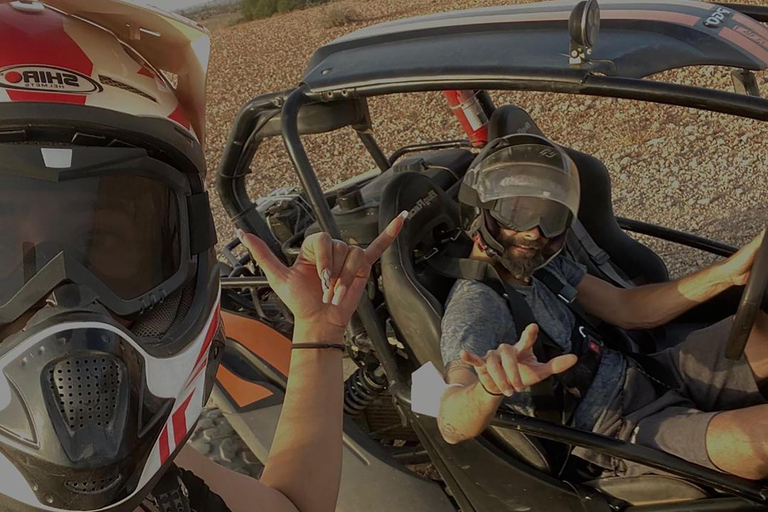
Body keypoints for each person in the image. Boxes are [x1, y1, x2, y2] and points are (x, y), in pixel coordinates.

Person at [0, 2, 405, 511]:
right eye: (6, 257)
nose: (63, 315)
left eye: (104, 242)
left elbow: (290, 507)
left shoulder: (156, 477)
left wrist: (318, 331)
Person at [437, 133, 768, 480]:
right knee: (760, 442)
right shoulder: (476, 305)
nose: (535, 233)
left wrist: (728, 274)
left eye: (549, 216)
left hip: (650, 372)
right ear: (481, 211)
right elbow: (450, 422)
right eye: (516, 213)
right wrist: (488, 387)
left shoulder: (540, 265)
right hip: (620, 432)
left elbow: (627, 308)